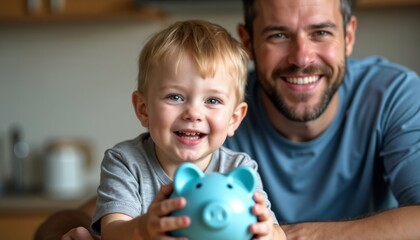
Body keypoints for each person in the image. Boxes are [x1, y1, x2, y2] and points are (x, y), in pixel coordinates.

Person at [35, 0, 420, 239]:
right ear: (248, 42)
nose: (302, 56)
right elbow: (95, 215)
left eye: (321, 32)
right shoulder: (210, 106)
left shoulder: (393, 96)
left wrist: (288, 236)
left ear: (349, 36)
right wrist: (63, 234)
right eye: (278, 34)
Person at [35, 19, 286, 240]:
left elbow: (276, 232)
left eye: (212, 101)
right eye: (175, 97)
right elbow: (114, 231)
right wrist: (144, 230)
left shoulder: (240, 169)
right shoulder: (125, 162)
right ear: (143, 109)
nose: (193, 113)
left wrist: (268, 235)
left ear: (233, 119)